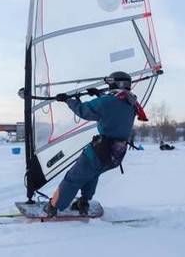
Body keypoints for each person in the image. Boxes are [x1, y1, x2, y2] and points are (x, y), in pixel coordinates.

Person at [45, 71, 148, 216]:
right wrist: (99, 94)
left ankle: (53, 206)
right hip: (116, 155)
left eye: (110, 84)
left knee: (73, 178)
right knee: (92, 174)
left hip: (101, 150)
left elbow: (83, 110)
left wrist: (68, 100)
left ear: (115, 84)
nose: (108, 87)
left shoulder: (107, 102)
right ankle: (84, 202)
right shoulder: (131, 103)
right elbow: (114, 108)